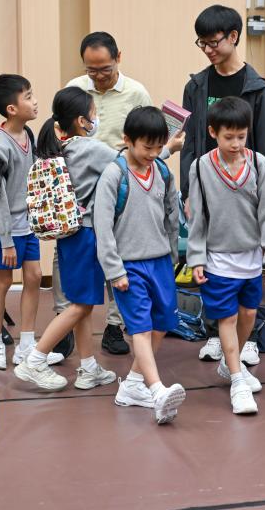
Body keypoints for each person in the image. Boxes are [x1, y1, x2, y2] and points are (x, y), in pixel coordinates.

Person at [64, 31, 185, 355]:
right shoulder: (74, 90)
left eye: (104, 68)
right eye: (92, 70)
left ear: (119, 57)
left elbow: (150, 135)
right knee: (83, 256)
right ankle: (68, 323)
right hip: (83, 189)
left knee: (124, 250)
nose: (98, 76)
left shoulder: (136, 92)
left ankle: (116, 326)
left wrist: (162, 151)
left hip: (125, 184)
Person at [181, 5, 265, 367]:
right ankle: (214, 334)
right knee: (210, 259)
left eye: (213, 42)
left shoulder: (257, 89)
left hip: (244, 183)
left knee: (249, 265)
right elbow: (191, 141)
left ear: (234, 37)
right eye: (201, 43)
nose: (207, 49)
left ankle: (247, 338)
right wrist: (188, 191)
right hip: (207, 183)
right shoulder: (196, 86)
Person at [13, 86, 119, 392]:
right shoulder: (90, 148)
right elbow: (129, 163)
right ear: (82, 120)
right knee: (80, 306)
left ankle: (88, 368)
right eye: (94, 114)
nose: (96, 119)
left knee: (80, 304)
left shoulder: (63, 148)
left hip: (70, 235)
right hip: (86, 234)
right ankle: (35, 359)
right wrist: (167, 148)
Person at [187, 97, 265, 414]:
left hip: (252, 258)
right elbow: (197, 218)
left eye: (241, 136)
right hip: (218, 259)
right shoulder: (201, 167)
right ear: (213, 132)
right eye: (229, 137)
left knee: (249, 316)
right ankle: (238, 380)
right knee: (226, 318)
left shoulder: (260, 165)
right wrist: (196, 257)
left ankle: (231, 365)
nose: (236, 143)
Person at [93, 106, 186, 424]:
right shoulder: (113, 175)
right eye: (147, 146)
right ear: (127, 140)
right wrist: (114, 270)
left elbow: (172, 214)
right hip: (129, 267)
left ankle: (132, 385)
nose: (154, 153)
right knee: (141, 329)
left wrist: (173, 254)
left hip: (160, 262)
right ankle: (156, 389)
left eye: (159, 146)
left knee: (161, 325)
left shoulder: (162, 170)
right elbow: (102, 228)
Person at [0, 74, 63, 370]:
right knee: (2, 281)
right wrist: (5, 240)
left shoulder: (28, 136)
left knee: (32, 277)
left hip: (26, 224)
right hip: (3, 227)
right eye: (28, 96)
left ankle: (27, 344)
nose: (35, 101)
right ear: (11, 108)